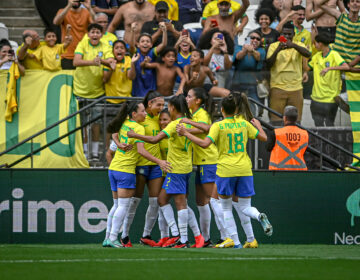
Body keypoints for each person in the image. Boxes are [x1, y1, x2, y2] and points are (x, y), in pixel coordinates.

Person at [177, 93, 273, 248]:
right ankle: (257, 217)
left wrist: (186, 133)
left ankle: (235, 242)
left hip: (226, 170)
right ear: (236, 109)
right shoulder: (243, 124)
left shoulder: (218, 126)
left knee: (226, 207)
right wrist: (259, 127)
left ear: (222, 110)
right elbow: (263, 138)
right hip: (245, 169)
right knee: (245, 207)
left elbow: (204, 144)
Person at [127, 95, 198, 248]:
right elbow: (205, 128)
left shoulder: (174, 125)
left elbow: (154, 140)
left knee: (179, 203)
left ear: (173, 108)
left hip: (175, 169)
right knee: (162, 200)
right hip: (186, 167)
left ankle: (183, 240)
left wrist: (135, 135)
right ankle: (177, 236)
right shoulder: (186, 124)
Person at [104, 101, 170, 248]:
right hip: (126, 170)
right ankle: (114, 238)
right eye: (142, 111)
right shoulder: (138, 127)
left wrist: (119, 143)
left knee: (116, 206)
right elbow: (141, 151)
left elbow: (114, 133)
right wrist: (159, 161)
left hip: (113, 169)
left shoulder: (124, 122)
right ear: (134, 114)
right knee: (123, 207)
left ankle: (107, 237)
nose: (145, 113)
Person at [119, 91, 166, 247]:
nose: (161, 108)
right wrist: (118, 144)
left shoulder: (161, 120)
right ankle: (124, 235)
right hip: (139, 165)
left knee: (155, 202)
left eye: (163, 105)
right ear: (149, 104)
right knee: (134, 202)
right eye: (158, 104)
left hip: (155, 167)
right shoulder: (138, 120)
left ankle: (146, 235)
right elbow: (115, 129)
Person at [179, 88, 218, 247]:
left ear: (198, 101)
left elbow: (206, 128)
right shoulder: (193, 114)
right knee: (201, 202)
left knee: (214, 201)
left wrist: (186, 127)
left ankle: (226, 236)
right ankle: (206, 238)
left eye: (189, 96)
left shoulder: (201, 114)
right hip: (201, 162)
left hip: (208, 160)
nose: (186, 99)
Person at [73, 23, 114, 159]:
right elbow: (76, 62)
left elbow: (110, 61)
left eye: (98, 32)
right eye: (93, 32)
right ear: (88, 34)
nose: (95, 35)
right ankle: (85, 152)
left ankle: (95, 153)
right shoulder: (82, 43)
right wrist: (93, 62)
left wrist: (102, 61)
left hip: (97, 93)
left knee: (96, 123)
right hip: (80, 90)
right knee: (83, 123)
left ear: (101, 35)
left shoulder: (106, 46)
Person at [266, 22, 311, 125]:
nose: (287, 37)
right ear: (281, 34)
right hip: (277, 87)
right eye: (284, 34)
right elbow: (268, 64)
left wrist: (293, 46)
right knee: (275, 121)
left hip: (296, 88)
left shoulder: (299, 45)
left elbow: (308, 54)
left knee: (296, 122)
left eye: (289, 34)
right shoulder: (274, 46)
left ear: (294, 34)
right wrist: (278, 49)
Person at [305, 33, 349, 126]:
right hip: (316, 99)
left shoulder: (334, 55)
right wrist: (305, 57)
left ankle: (329, 141)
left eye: (315, 43)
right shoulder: (316, 56)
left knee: (329, 124)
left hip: (331, 99)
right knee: (318, 125)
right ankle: (320, 141)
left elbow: (346, 67)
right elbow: (307, 68)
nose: (314, 45)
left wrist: (329, 68)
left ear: (320, 43)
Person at [53, 0, 95, 70]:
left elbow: (96, 25)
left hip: (82, 55)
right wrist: (68, 6)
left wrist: (90, 8)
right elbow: (56, 22)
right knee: (67, 80)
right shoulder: (63, 11)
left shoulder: (86, 12)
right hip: (67, 55)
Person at [233, 30, 266, 116]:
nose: (255, 40)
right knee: (236, 107)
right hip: (237, 83)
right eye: (252, 38)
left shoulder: (261, 50)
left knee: (253, 108)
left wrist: (252, 51)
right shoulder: (238, 47)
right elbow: (238, 56)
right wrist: (245, 50)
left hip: (252, 85)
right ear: (247, 39)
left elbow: (258, 57)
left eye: (258, 39)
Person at [129, 24, 168, 97]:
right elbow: (131, 45)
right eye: (142, 41)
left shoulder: (152, 53)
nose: (145, 43)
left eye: (147, 41)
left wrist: (164, 31)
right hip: (137, 90)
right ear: (138, 44)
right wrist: (132, 31)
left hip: (151, 91)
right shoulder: (136, 52)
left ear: (151, 45)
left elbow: (163, 45)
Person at [267, 105, 309, 170]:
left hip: (278, 172)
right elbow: (305, 152)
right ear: (296, 118)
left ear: (285, 118)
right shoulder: (304, 134)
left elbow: (268, 148)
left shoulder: (276, 133)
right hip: (300, 172)